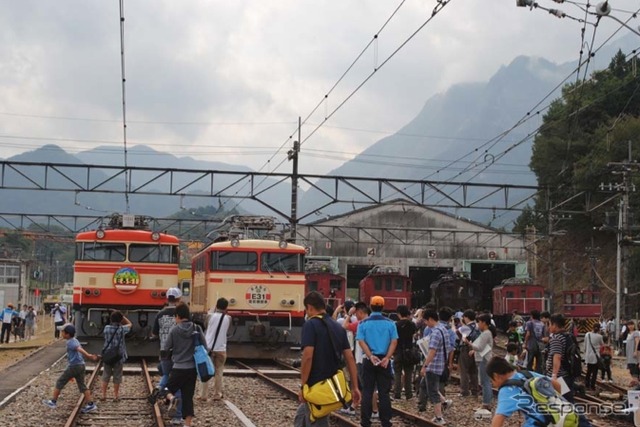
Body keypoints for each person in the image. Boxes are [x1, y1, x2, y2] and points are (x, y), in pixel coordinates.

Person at [294, 291, 361, 427]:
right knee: (301, 417)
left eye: (306, 309)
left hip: (316, 385)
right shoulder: (338, 327)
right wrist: (355, 387)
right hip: (332, 384)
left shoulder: (310, 325)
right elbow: (350, 358)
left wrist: (303, 385)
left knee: (318, 419)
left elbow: (307, 357)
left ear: (310, 307)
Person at [486, 356, 587, 427]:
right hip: (570, 414)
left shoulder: (506, 390)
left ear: (496, 375)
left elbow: (499, 418)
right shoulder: (527, 374)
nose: (493, 384)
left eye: (491, 380)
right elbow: (557, 384)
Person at [356, 296, 397, 427]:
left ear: (370, 306)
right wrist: (387, 357)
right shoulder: (390, 323)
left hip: (369, 360)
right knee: (384, 392)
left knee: (367, 391)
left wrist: (370, 355)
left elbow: (361, 340)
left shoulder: (363, 323)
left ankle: (365, 421)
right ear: (383, 307)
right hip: (384, 360)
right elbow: (394, 341)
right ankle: (386, 421)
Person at [161, 302, 205, 427]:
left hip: (178, 368)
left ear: (178, 316)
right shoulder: (197, 328)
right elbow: (205, 346)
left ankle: (172, 399)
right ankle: (187, 424)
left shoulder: (174, 330)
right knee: (188, 397)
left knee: (165, 389)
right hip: (192, 369)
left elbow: (166, 347)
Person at [42, 324, 99, 413]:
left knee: (60, 381)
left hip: (74, 366)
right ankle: (91, 404)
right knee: (82, 386)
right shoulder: (75, 340)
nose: (61, 333)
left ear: (67, 334)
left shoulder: (70, 342)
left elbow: (79, 349)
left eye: (62, 332)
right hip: (80, 365)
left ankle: (53, 402)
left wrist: (88, 355)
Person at [150, 287, 183, 425]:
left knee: (165, 375)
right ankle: (177, 416)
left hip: (164, 352)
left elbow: (154, 334)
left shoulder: (160, 314)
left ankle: (159, 388)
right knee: (179, 382)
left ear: (167, 299)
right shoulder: (181, 314)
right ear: (179, 299)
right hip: (178, 353)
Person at [341, 301, 377, 417]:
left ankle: (367, 410)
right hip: (376, 357)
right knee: (370, 386)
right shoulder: (376, 323)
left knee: (365, 386)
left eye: (356, 313)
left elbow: (344, 326)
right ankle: (359, 408)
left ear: (360, 312)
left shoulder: (361, 324)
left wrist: (349, 315)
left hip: (362, 359)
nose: (355, 316)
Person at [418, 307, 453, 425]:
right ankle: (445, 402)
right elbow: (448, 348)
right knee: (427, 384)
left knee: (432, 391)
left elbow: (431, 351)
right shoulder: (444, 329)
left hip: (433, 366)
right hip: (440, 364)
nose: (425, 324)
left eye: (426, 321)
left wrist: (425, 366)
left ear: (431, 319)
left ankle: (439, 417)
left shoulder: (435, 333)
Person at [200, 297, 231, 401]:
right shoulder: (228, 318)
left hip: (208, 348)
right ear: (226, 307)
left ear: (216, 306)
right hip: (221, 349)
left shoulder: (209, 316)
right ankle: (217, 394)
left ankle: (203, 395)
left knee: (205, 371)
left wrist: (211, 311)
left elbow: (205, 326)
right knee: (219, 372)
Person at [463, 312, 494, 411]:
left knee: (485, 382)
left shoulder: (486, 333)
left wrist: (469, 343)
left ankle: (486, 404)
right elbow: (484, 347)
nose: (478, 324)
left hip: (484, 360)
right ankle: (487, 402)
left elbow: (480, 347)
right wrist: (474, 349)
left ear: (484, 323)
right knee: (485, 382)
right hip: (484, 358)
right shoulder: (486, 333)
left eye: (479, 322)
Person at [100, 311, 132, 401]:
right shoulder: (122, 329)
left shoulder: (106, 328)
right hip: (118, 356)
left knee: (105, 375)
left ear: (111, 319)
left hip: (108, 355)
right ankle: (116, 396)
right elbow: (130, 324)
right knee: (117, 376)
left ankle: (103, 395)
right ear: (120, 320)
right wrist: (123, 318)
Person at [546, 313, 578, 402]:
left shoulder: (556, 338)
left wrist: (554, 375)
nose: (548, 327)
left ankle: (578, 416)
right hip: (567, 374)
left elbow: (557, 357)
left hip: (560, 377)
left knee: (565, 400)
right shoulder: (568, 336)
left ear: (555, 325)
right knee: (566, 399)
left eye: (549, 324)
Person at [393, 304, 417, 400]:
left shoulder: (395, 325)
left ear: (399, 314)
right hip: (409, 351)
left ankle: (397, 393)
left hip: (398, 351)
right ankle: (408, 394)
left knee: (397, 373)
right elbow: (415, 336)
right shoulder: (412, 324)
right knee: (408, 373)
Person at [457, 309, 480, 398]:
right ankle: (475, 390)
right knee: (474, 371)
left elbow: (457, 332)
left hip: (466, 349)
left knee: (464, 370)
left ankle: (464, 391)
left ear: (466, 317)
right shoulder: (478, 326)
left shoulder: (465, 327)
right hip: (476, 349)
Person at [584, 323, 604, 390]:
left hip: (588, 356)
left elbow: (585, 346)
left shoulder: (587, 334)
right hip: (596, 357)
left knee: (589, 371)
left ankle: (587, 384)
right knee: (595, 372)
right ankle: (592, 386)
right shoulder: (599, 336)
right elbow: (602, 345)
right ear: (599, 329)